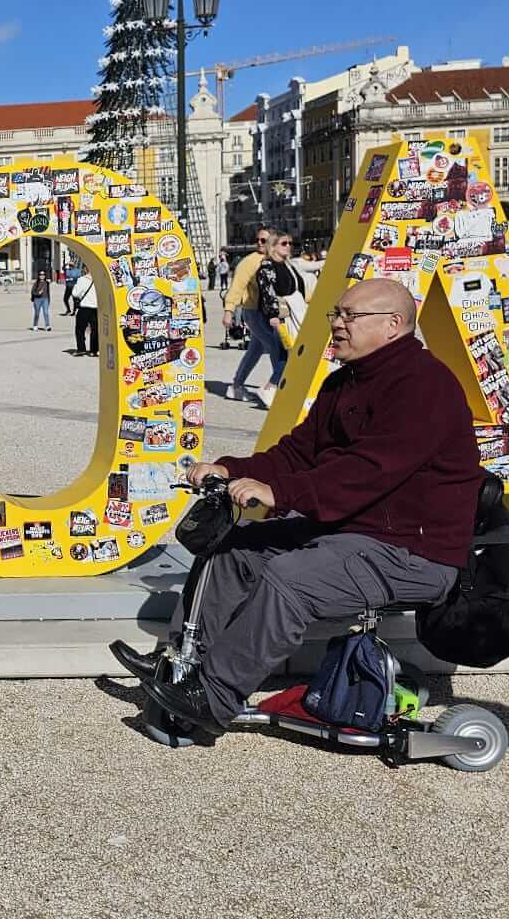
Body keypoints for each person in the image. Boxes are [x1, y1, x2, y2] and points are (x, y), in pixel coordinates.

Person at [131, 279, 482, 739]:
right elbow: (295, 455)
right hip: (352, 530)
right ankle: (183, 663)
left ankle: (212, 698)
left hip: (412, 551)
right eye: (336, 314)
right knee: (234, 548)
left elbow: (368, 471)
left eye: (350, 316)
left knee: (290, 579)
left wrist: (280, 494)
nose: (337, 324)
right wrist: (230, 468)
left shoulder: (425, 386)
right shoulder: (345, 382)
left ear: (393, 325)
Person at [230, 233, 296, 407]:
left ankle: (236, 386)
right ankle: (273, 388)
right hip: (255, 312)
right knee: (278, 349)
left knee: (255, 350)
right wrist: (229, 310)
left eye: (264, 240)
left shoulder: (280, 261)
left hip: (263, 313)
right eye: (258, 240)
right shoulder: (252, 262)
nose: (260, 243)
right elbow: (237, 287)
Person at [66, 268, 99, 356]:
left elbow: (75, 293)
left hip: (84, 308)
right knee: (95, 330)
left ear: (85, 269)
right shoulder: (99, 279)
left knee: (80, 329)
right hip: (96, 308)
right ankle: (94, 350)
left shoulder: (82, 279)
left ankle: (81, 349)